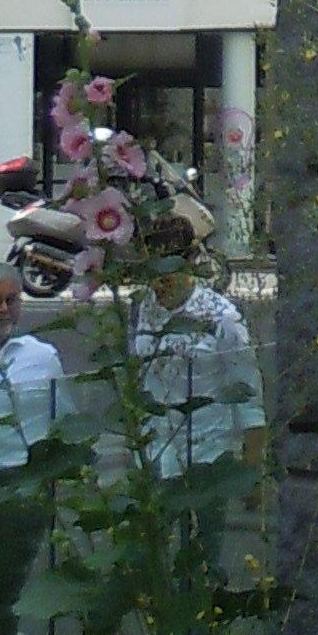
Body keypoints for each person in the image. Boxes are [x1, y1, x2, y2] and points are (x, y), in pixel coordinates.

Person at [121, 221, 261, 589]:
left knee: (202, 556)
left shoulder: (221, 317)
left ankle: (204, 611)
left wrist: (252, 470)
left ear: (188, 263)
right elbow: (135, 380)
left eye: (168, 271)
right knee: (150, 556)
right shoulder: (140, 310)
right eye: (151, 271)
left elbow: (249, 393)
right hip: (154, 452)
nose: (159, 283)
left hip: (207, 452)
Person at [0, 266, 64, 635]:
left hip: (19, 487)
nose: (2, 309)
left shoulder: (41, 357)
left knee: (0, 595)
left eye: (10, 300)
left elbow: (62, 423)